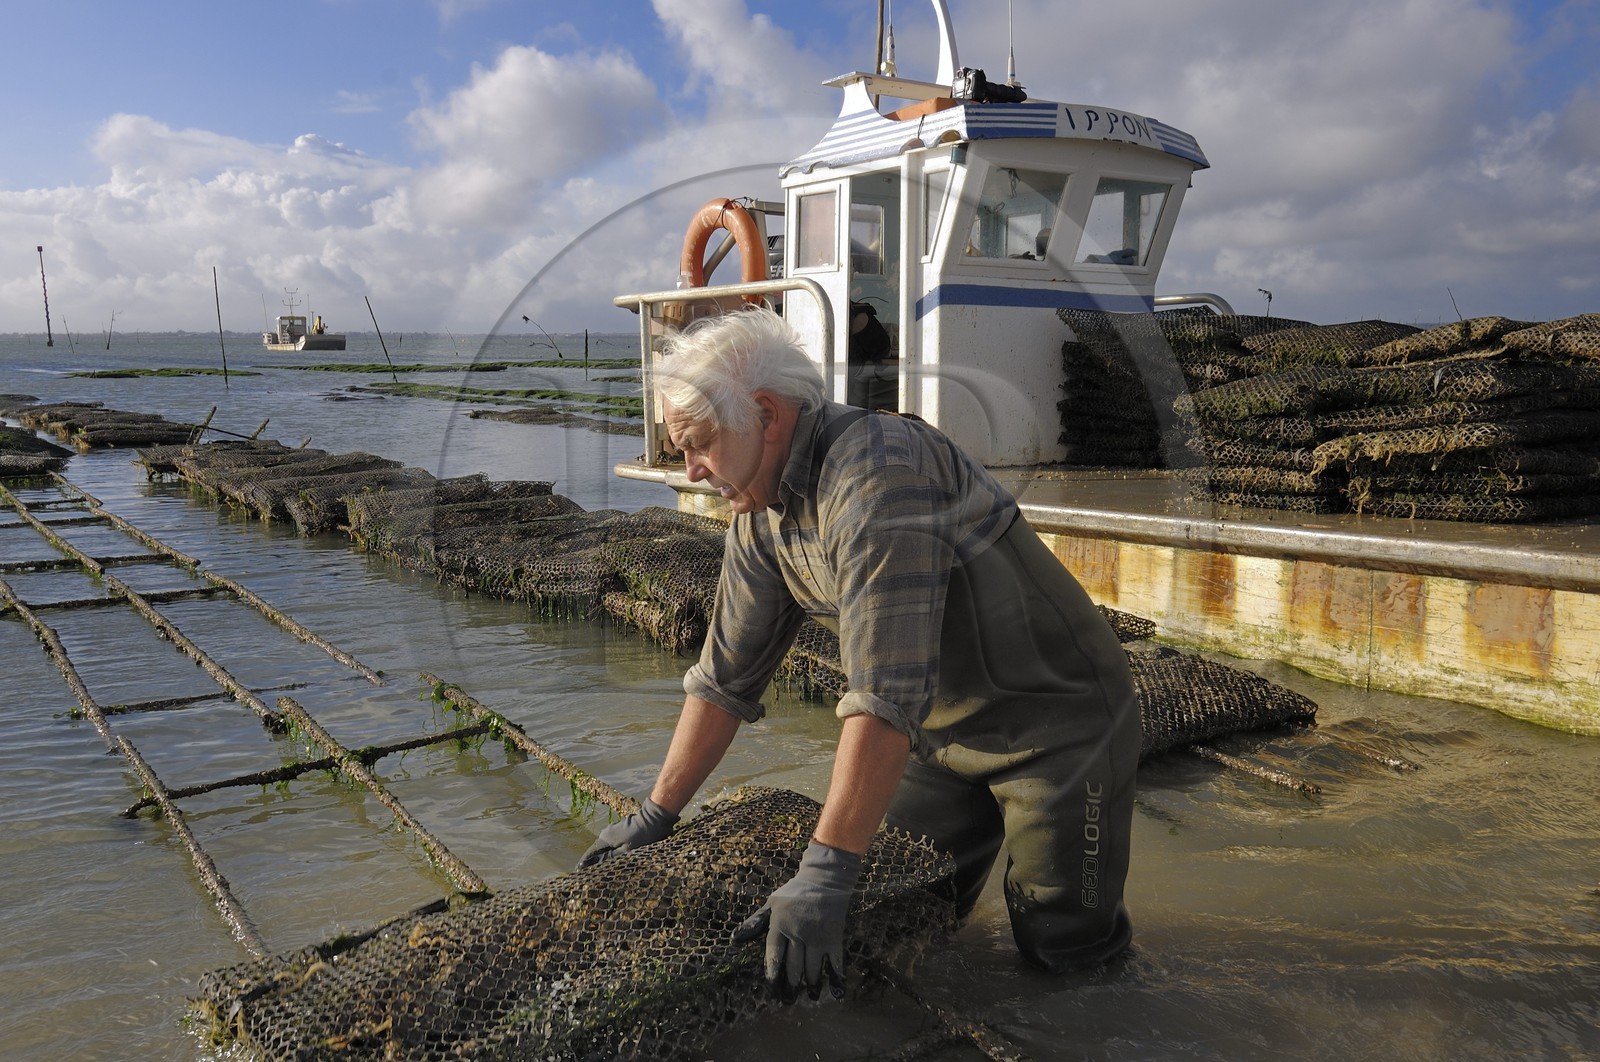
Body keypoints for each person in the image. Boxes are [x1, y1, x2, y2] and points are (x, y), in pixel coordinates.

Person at [579, 307, 1139, 1000]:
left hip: (1056, 729)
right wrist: (654, 816)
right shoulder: (763, 510)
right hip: (939, 738)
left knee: (1060, 946)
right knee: (902, 911)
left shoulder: (878, 476)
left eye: (698, 444)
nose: (692, 471)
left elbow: (883, 692)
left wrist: (825, 868)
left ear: (765, 413)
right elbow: (724, 681)